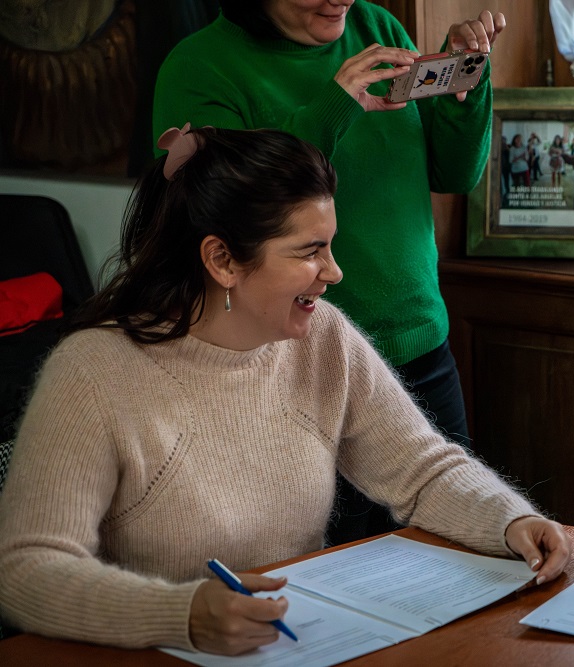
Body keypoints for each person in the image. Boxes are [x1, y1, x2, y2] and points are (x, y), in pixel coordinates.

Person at [0, 126, 571, 655]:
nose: (334, 271)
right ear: (221, 259)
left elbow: (420, 469)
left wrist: (509, 521)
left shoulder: (321, 337)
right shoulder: (93, 372)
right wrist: (181, 613)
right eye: (309, 251)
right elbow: (24, 568)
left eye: (329, 245)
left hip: (295, 648)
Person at [152, 0, 505, 543]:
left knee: (455, 555)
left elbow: (455, 173)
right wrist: (333, 107)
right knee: (328, 579)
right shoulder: (198, 66)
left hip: (422, 353)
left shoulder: (376, 27)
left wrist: (464, 84)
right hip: (295, 373)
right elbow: (221, 215)